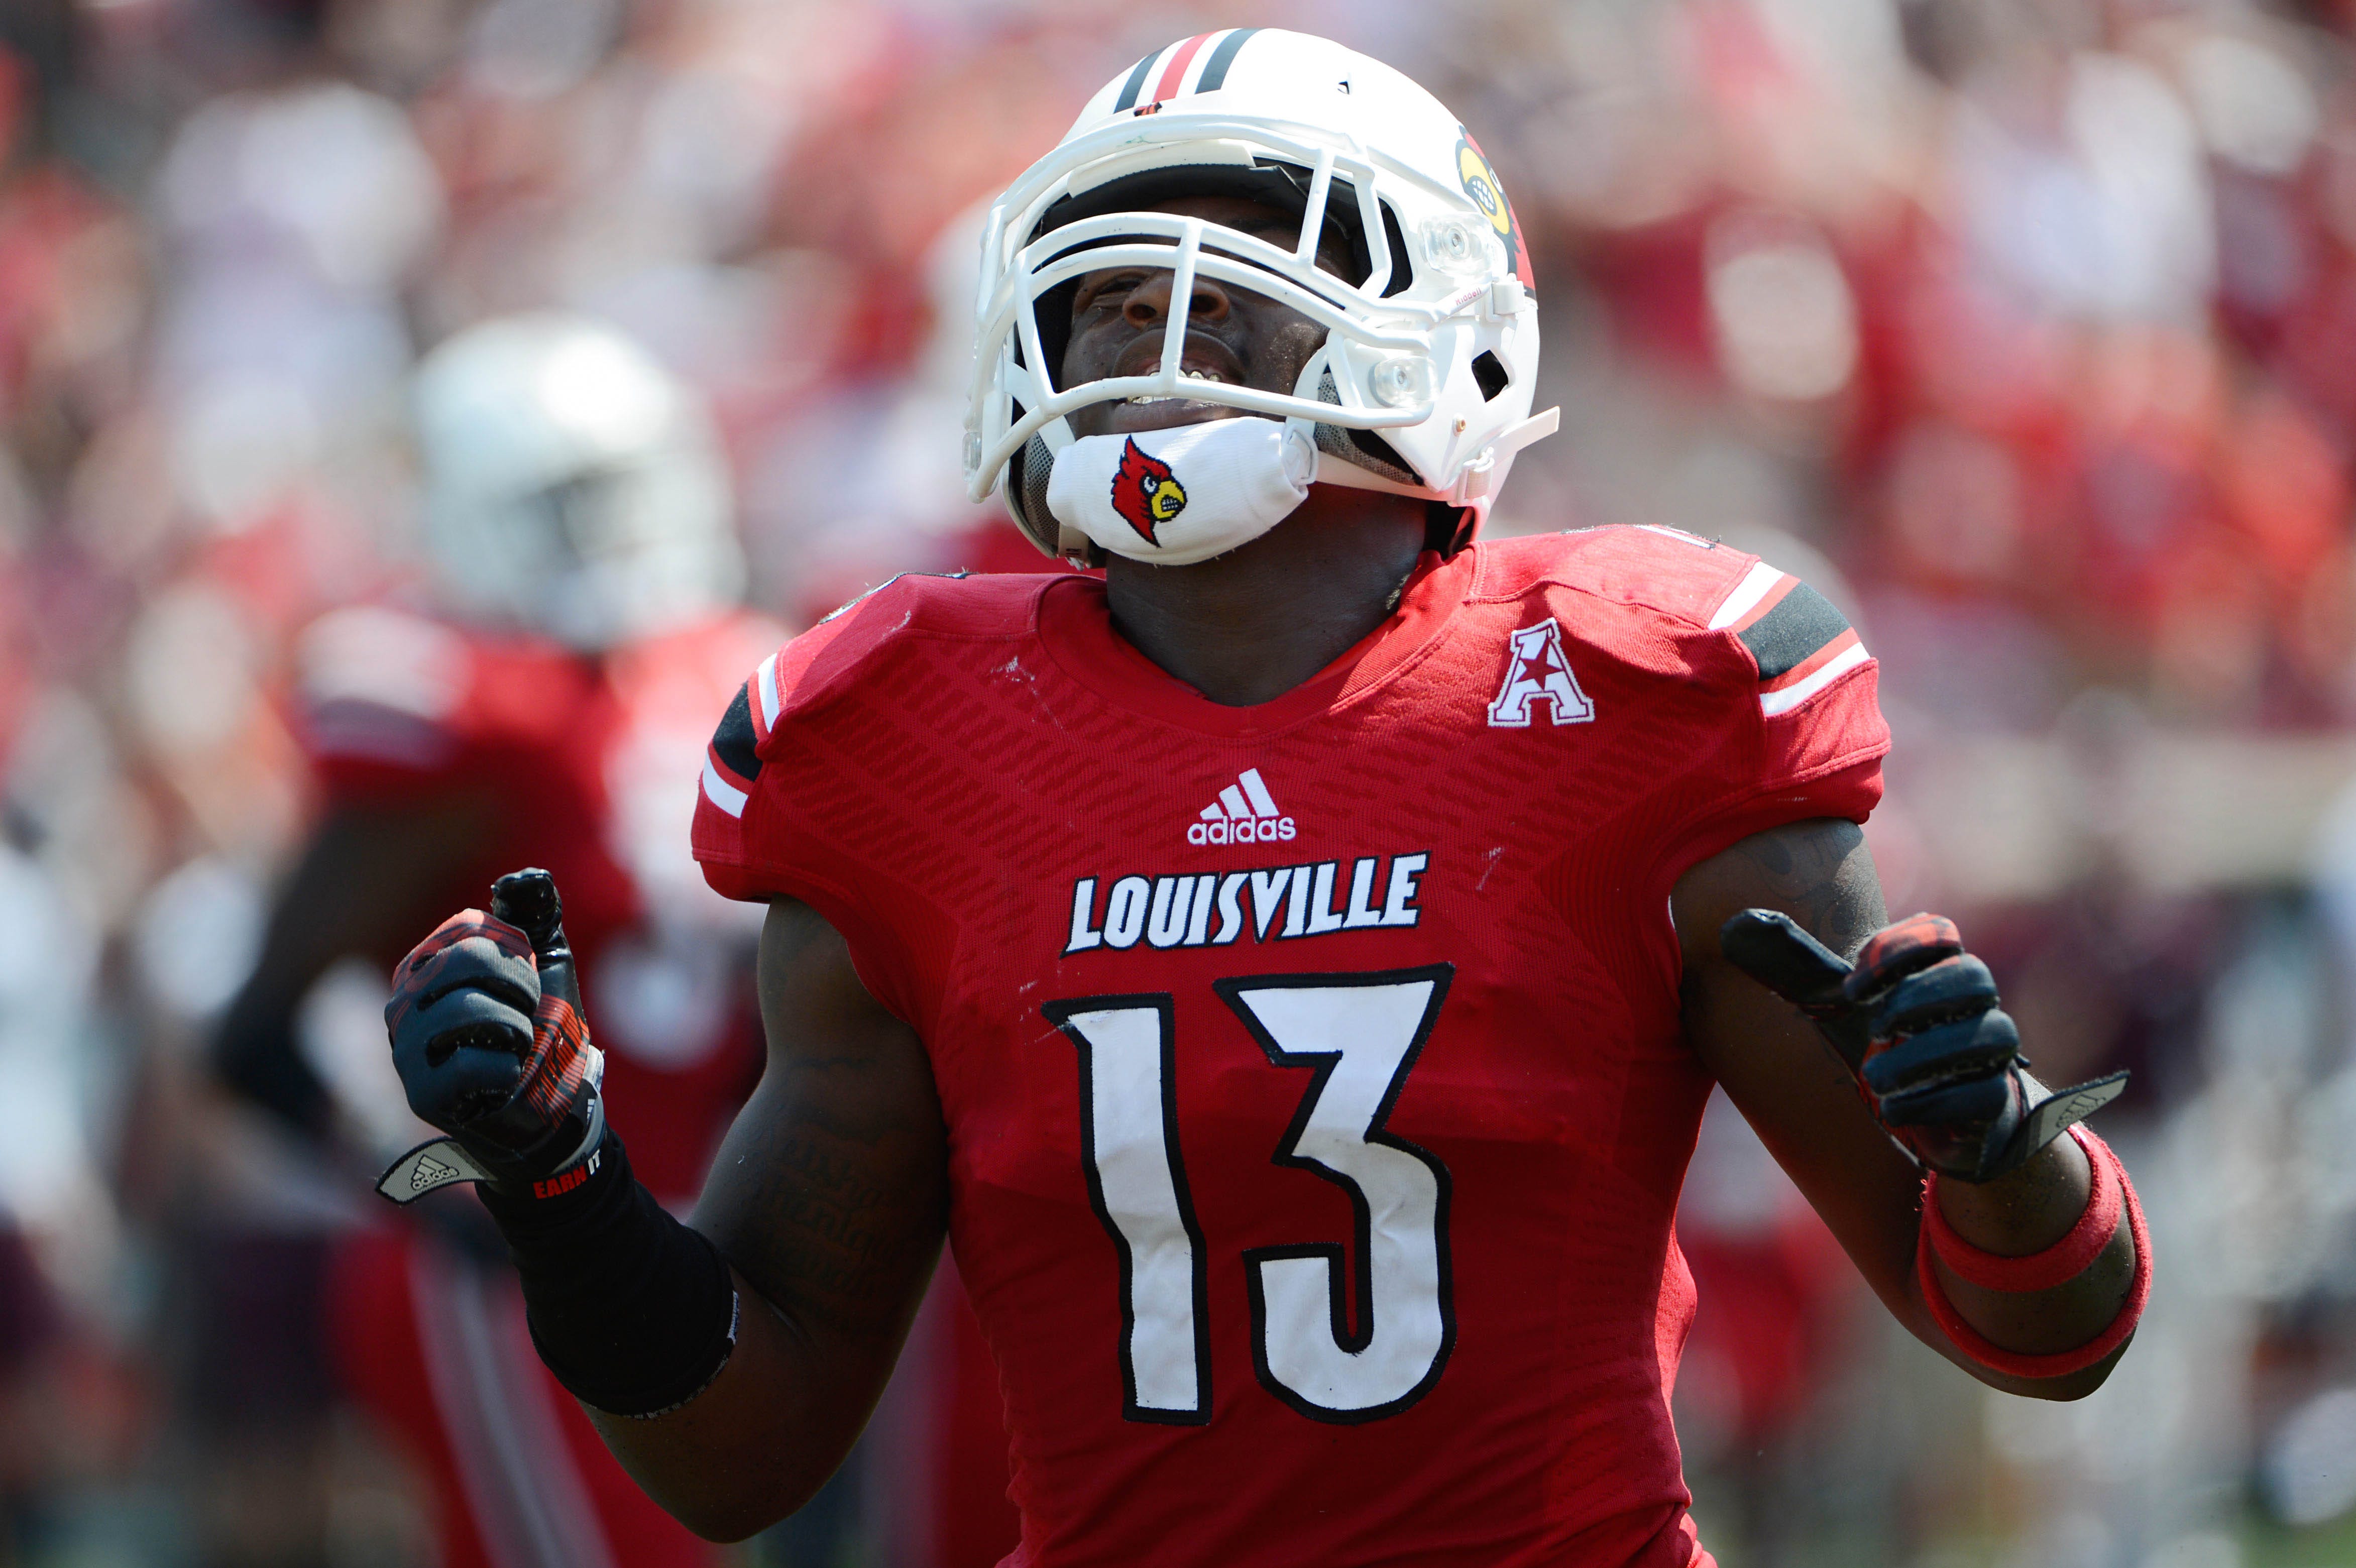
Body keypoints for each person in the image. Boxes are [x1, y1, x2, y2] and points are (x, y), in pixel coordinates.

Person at [374, 32, 2150, 1567]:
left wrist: (1997, 1154)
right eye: (1110, 295)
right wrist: (565, 1180)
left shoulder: (1636, 697)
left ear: (1439, 314)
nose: (1153, 338)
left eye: (1226, 284)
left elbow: (2041, 1333)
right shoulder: (903, 741)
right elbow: (740, 1443)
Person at [214, 313, 776, 1568]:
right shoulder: (458, 711)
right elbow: (252, 1038)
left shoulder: (717, 675)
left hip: (681, 1241)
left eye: (620, 494)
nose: (608, 538)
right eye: (563, 505)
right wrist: (440, 1197)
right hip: (521, 1254)